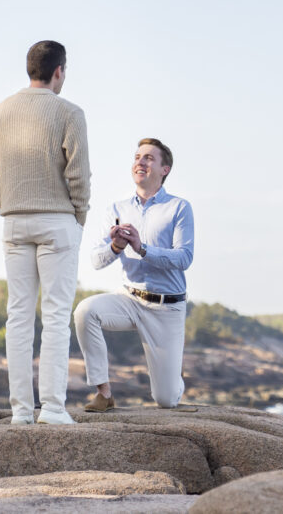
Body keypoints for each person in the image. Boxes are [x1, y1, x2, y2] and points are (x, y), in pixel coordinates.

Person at [0, 40, 90, 425]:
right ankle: (53, 409)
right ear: (59, 71)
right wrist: (78, 217)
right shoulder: (69, 112)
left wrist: (8, 202)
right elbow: (79, 175)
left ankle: (21, 411)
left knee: (19, 317)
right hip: (57, 220)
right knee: (55, 316)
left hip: (14, 221)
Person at [74, 137, 194, 411]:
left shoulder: (179, 207)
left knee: (166, 400)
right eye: (137, 157)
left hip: (167, 308)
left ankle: (173, 373)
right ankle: (104, 393)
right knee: (85, 312)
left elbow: (184, 258)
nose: (140, 162)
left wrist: (142, 248)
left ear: (164, 169)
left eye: (149, 158)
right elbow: (96, 260)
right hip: (129, 299)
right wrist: (116, 246)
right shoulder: (116, 210)